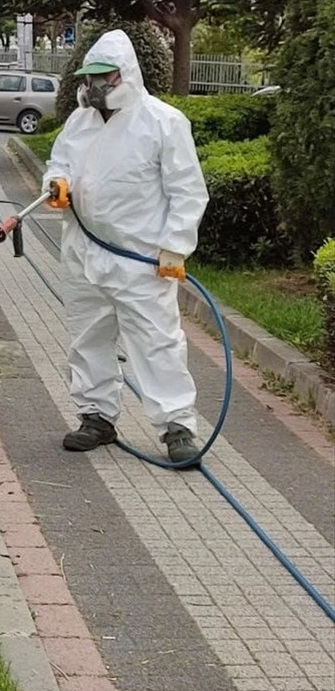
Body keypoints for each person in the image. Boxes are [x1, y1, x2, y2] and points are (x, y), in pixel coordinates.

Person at [42, 29, 209, 464]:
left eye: (105, 76)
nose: (95, 86)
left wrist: (174, 247)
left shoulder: (163, 122)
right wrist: (56, 183)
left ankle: (176, 425)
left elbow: (188, 191)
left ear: (127, 75)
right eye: (90, 77)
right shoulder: (80, 121)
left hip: (142, 260)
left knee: (156, 341)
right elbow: (59, 161)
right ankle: (96, 415)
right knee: (88, 337)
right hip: (83, 251)